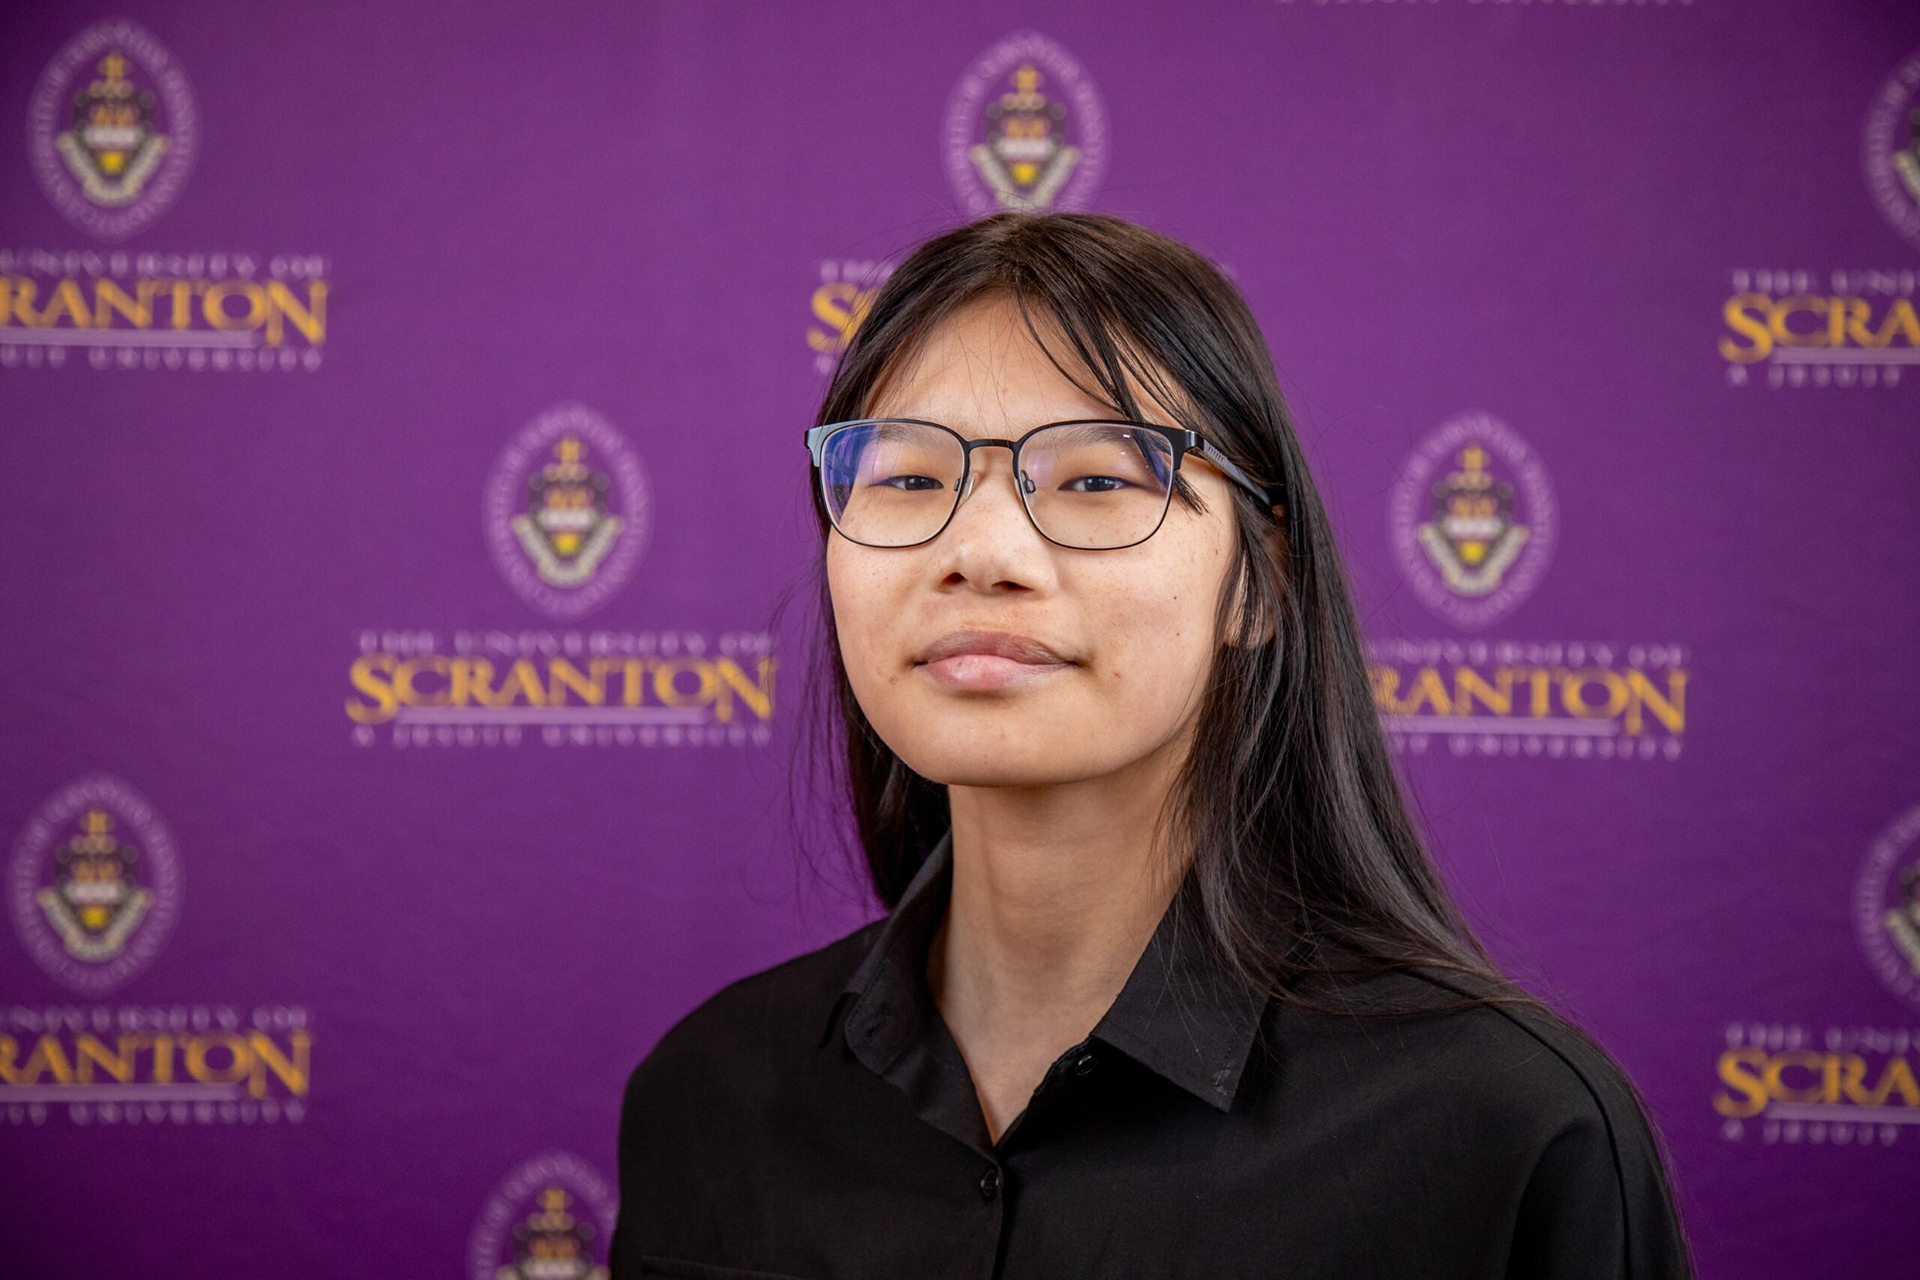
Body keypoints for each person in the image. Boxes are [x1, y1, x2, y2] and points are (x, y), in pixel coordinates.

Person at [609, 211, 1694, 1279]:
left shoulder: (1508, 1139)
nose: (980, 552)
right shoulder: (707, 1098)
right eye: (908, 478)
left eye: (1095, 480)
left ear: (1260, 582)